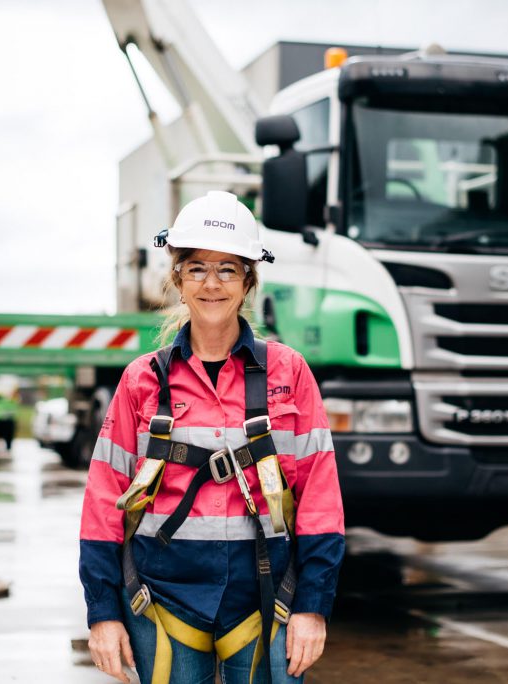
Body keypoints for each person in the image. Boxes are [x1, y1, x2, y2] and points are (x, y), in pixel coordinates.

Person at [79, 191, 345, 684]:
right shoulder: (142, 381)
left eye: (227, 269)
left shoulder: (289, 373)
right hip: (164, 601)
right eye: (196, 267)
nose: (212, 284)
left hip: (266, 600)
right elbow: (103, 500)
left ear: (248, 280)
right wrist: (103, 612)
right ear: (177, 279)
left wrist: (313, 605)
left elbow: (321, 500)